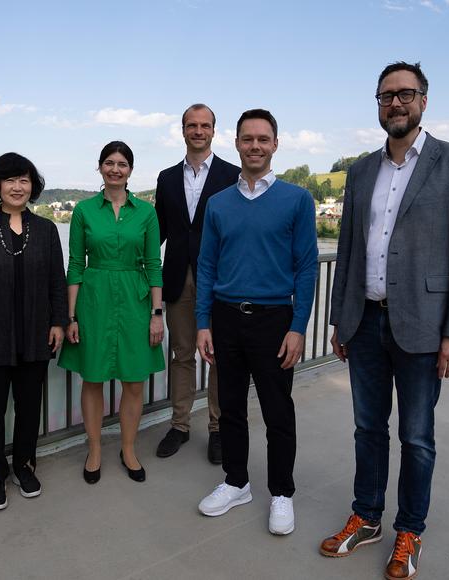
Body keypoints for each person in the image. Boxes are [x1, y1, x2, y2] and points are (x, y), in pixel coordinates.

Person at [319, 62, 449, 580]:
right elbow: (347, 250)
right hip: (365, 322)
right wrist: (338, 320)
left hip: (423, 326)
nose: (395, 103)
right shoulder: (363, 170)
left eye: (405, 94)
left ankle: (410, 529)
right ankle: (367, 517)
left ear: (423, 101)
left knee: (416, 436)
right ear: (377, 104)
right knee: (367, 428)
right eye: (386, 95)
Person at [195, 109, 318, 536]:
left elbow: (306, 268)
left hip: (274, 320)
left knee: (277, 410)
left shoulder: (297, 200)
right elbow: (206, 265)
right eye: (247, 139)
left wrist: (298, 326)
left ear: (275, 144)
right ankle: (236, 482)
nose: (255, 146)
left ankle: (281, 492)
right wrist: (202, 323)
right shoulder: (218, 204)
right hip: (226, 318)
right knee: (230, 408)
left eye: (263, 139)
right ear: (237, 143)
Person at [0, 152, 66, 511]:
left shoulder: (48, 230)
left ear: (32, 186)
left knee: (28, 406)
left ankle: (24, 464)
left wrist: (58, 323)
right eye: (10, 180)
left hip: (36, 334)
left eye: (24, 180)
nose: (18, 187)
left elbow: (57, 282)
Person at [59, 141, 165, 484]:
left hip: (135, 302)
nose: (115, 169)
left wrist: (156, 312)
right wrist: (71, 316)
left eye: (122, 164)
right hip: (94, 301)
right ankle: (94, 449)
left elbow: (153, 264)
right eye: (109, 163)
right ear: (100, 167)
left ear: (130, 170)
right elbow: (75, 264)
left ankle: (129, 448)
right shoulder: (84, 211)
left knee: (133, 381)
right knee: (92, 379)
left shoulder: (146, 212)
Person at [154, 104, 240, 463]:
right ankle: (180, 425)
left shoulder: (232, 175)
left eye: (205, 125)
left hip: (219, 280)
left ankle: (218, 429)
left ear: (214, 131)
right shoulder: (167, 177)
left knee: (219, 356)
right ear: (183, 130)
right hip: (177, 278)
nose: (198, 131)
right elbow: (156, 233)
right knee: (182, 354)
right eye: (192, 125)